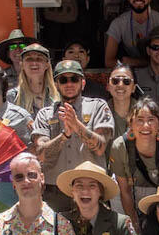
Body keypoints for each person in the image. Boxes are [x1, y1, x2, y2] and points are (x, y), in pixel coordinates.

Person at [33, 60, 114, 212]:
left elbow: (100, 148)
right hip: (55, 193)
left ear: (83, 83)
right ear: (56, 84)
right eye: (63, 80)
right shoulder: (45, 114)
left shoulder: (98, 106)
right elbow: (41, 154)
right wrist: (65, 135)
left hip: (91, 188)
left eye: (74, 79)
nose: (69, 84)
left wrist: (77, 125)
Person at [109, 98, 159, 226]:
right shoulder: (120, 146)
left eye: (151, 120)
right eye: (140, 120)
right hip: (129, 192)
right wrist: (134, 224)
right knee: (114, 187)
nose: (146, 126)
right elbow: (124, 190)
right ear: (130, 124)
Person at [105, 0, 159, 69]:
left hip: (157, 72)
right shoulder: (118, 23)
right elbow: (109, 61)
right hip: (130, 73)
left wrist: (134, 62)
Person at [7, 43, 59, 115]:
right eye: (29, 59)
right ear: (22, 65)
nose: (34, 63)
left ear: (47, 64)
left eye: (39, 59)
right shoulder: (12, 97)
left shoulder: (58, 96)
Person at [106, 64, 137, 139]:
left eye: (126, 81)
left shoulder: (144, 112)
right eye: (115, 81)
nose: (120, 85)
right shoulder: (99, 112)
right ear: (108, 87)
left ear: (133, 88)